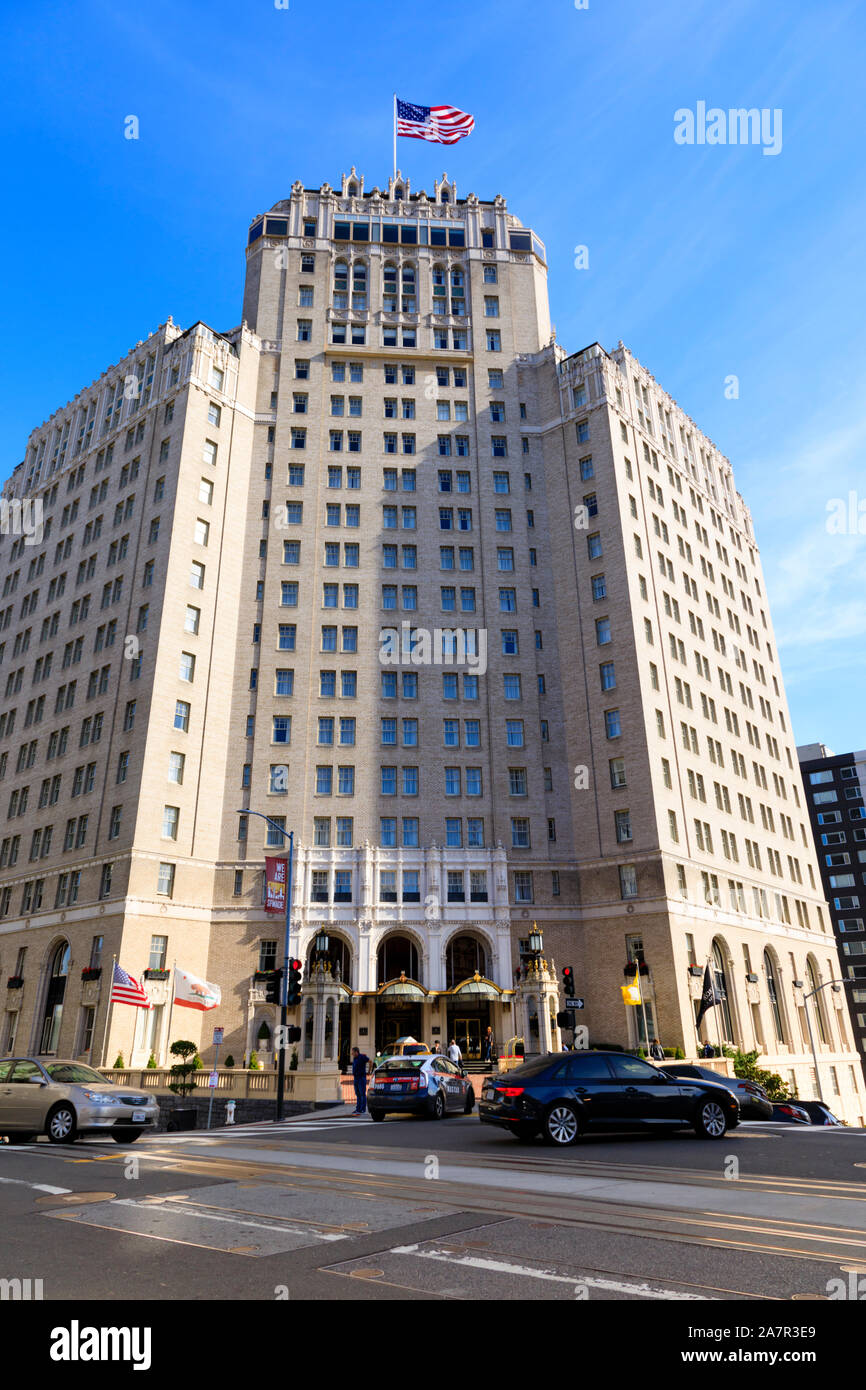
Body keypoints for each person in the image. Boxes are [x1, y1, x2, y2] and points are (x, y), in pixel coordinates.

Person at [350, 1046, 372, 1115]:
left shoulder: (362, 1057)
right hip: (356, 1078)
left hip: (361, 1078)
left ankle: (363, 1109)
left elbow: (370, 1061)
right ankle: (358, 1109)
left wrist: (369, 1071)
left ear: (356, 1052)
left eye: (353, 1052)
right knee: (358, 1094)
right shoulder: (355, 1058)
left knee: (362, 1094)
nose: (352, 1053)